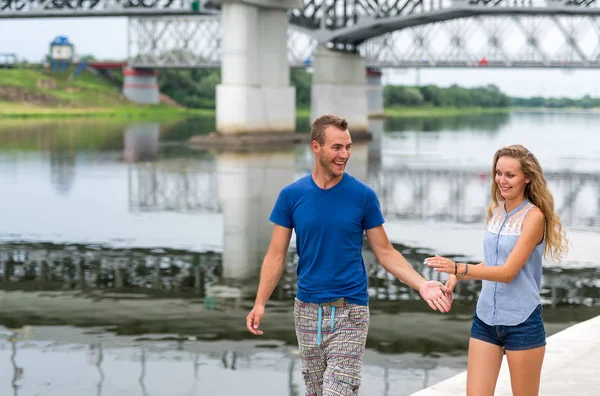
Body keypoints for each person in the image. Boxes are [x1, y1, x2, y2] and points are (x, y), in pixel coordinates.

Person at [245, 114, 452, 395]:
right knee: (316, 391)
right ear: (316, 147)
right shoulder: (291, 195)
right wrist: (260, 303)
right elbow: (276, 255)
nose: (345, 155)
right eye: (337, 147)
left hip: (350, 311)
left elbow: (385, 251)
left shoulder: (362, 196)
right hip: (306, 311)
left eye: (348, 147)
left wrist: (421, 283)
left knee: (337, 391)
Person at [424, 144, 569, 396]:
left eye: (509, 175)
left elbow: (508, 272)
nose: (502, 180)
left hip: (522, 321)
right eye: (498, 172)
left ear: (527, 178)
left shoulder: (533, 218)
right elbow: (494, 262)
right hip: (485, 321)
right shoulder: (496, 211)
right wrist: (455, 276)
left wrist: (460, 266)